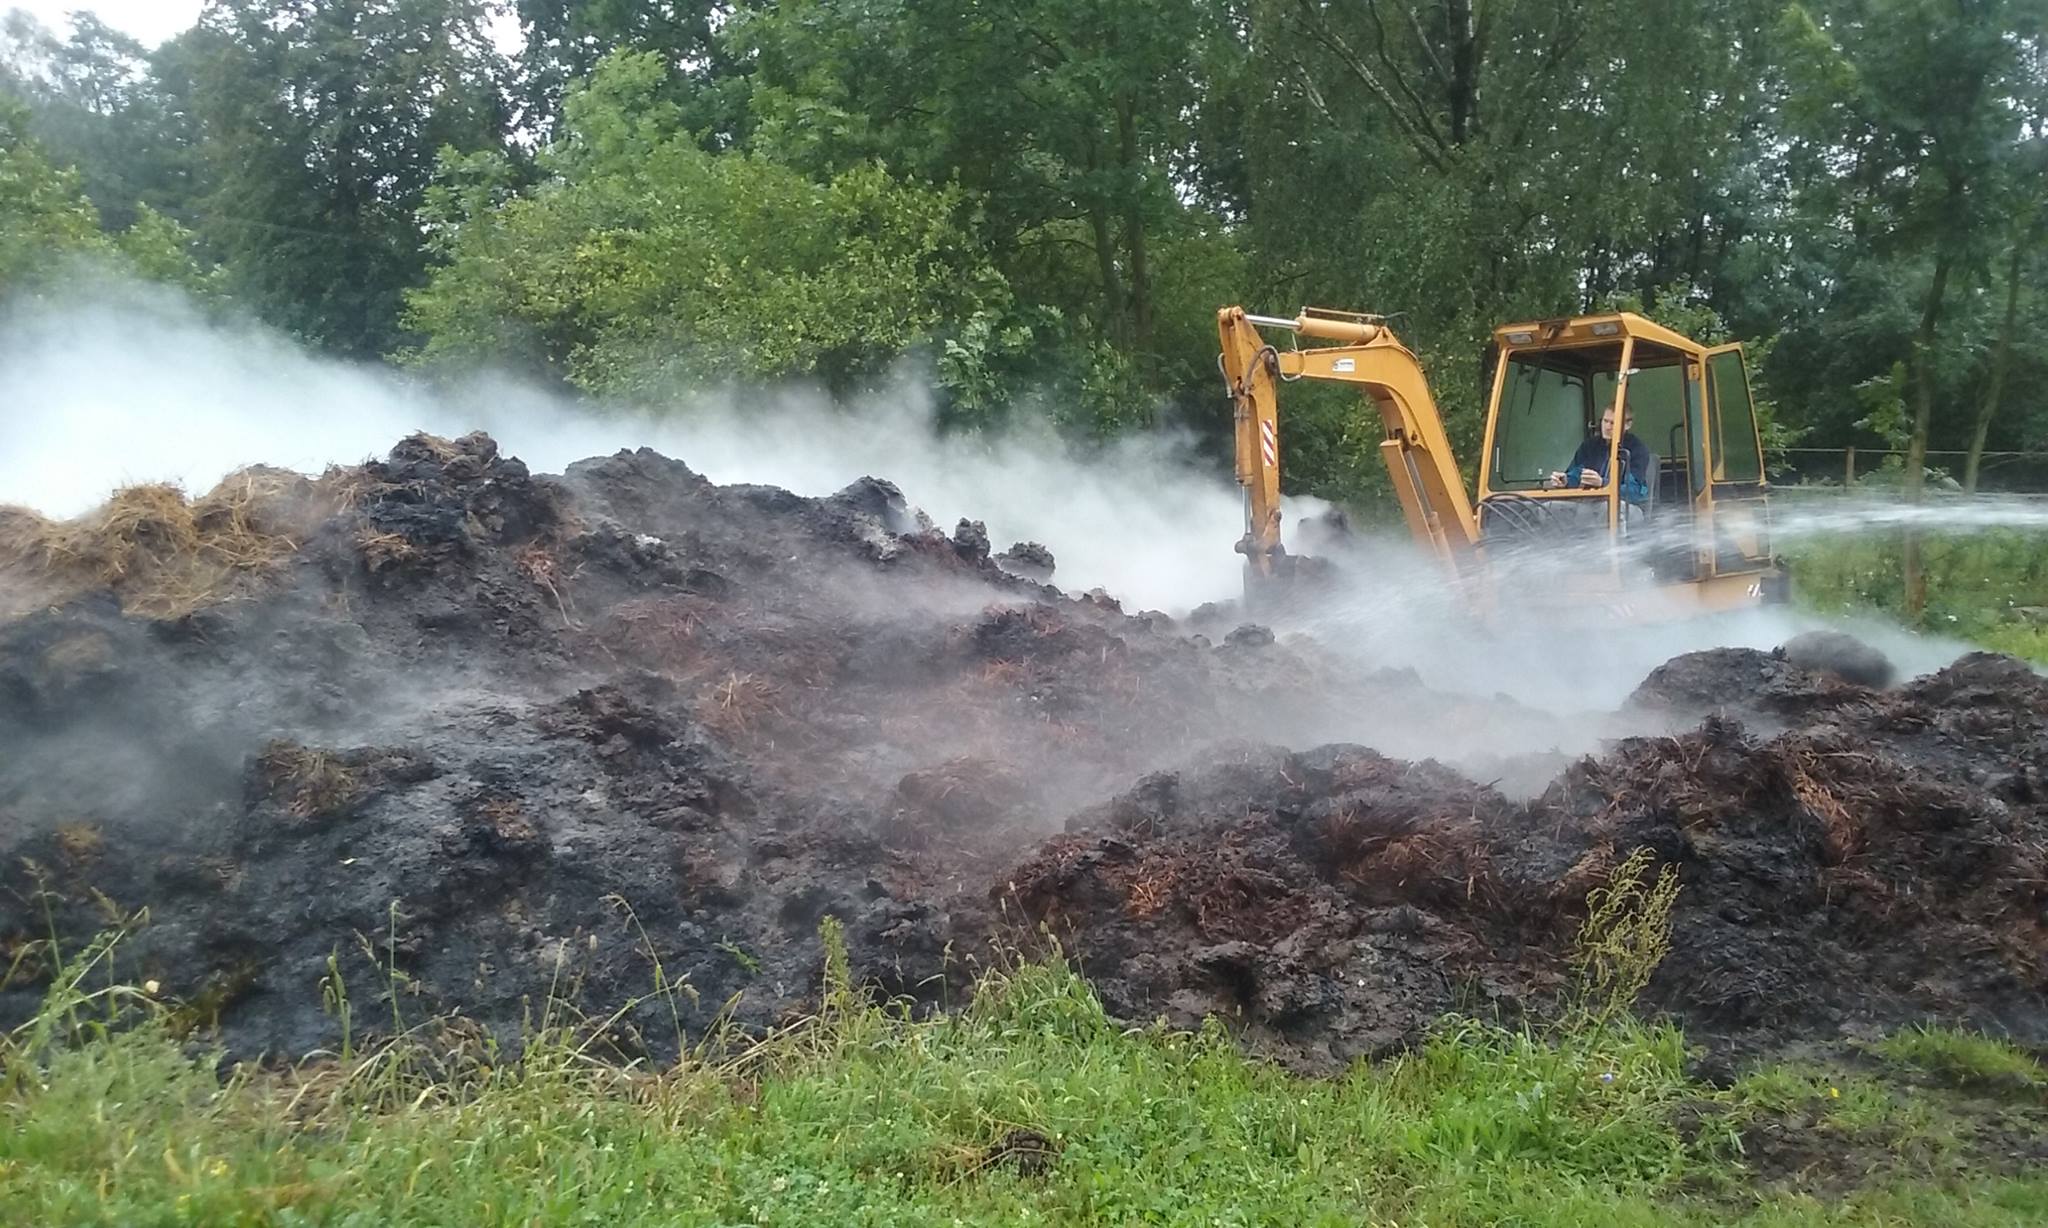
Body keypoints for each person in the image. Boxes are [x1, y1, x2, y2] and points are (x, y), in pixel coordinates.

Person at [1547, 401, 1649, 505]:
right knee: (1547, 507)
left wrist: (1603, 483)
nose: (1607, 427)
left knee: (1608, 509)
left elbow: (1635, 491)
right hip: (1590, 504)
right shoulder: (1590, 446)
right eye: (1605, 421)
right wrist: (1565, 481)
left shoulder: (1637, 450)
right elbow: (1576, 474)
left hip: (1626, 507)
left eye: (1613, 423)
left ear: (1628, 425)